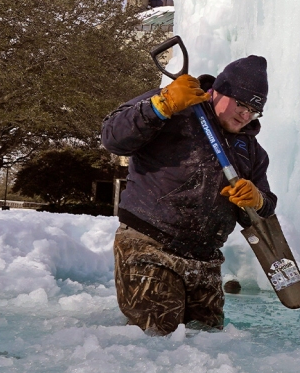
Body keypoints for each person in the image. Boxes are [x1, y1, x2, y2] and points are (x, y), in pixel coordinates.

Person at [101, 56, 277, 334]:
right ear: (216, 91)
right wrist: (159, 107)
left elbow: (264, 209)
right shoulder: (175, 104)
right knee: (155, 342)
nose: (246, 115)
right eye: (241, 104)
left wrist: (257, 200)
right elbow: (112, 137)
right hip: (150, 247)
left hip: (205, 261)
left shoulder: (252, 151)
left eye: (254, 111)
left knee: (207, 348)